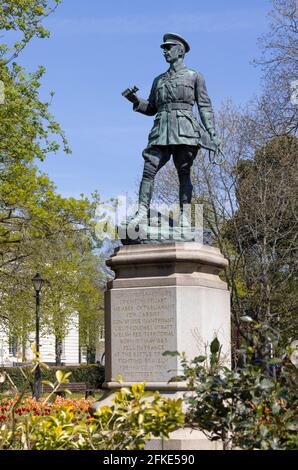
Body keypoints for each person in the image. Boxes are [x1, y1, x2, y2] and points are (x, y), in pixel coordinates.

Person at [123, 33, 220, 226]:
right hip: (161, 129)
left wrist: (212, 133)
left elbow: (204, 106)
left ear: (180, 51)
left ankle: (184, 215)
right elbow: (151, 108)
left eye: (169, 48)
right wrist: (135, 100)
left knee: (184, 171)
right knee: (149, 169)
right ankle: (142, 212)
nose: (165, 52)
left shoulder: (194, 76)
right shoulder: (158, 80)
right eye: (164, 49)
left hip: (185, 129)